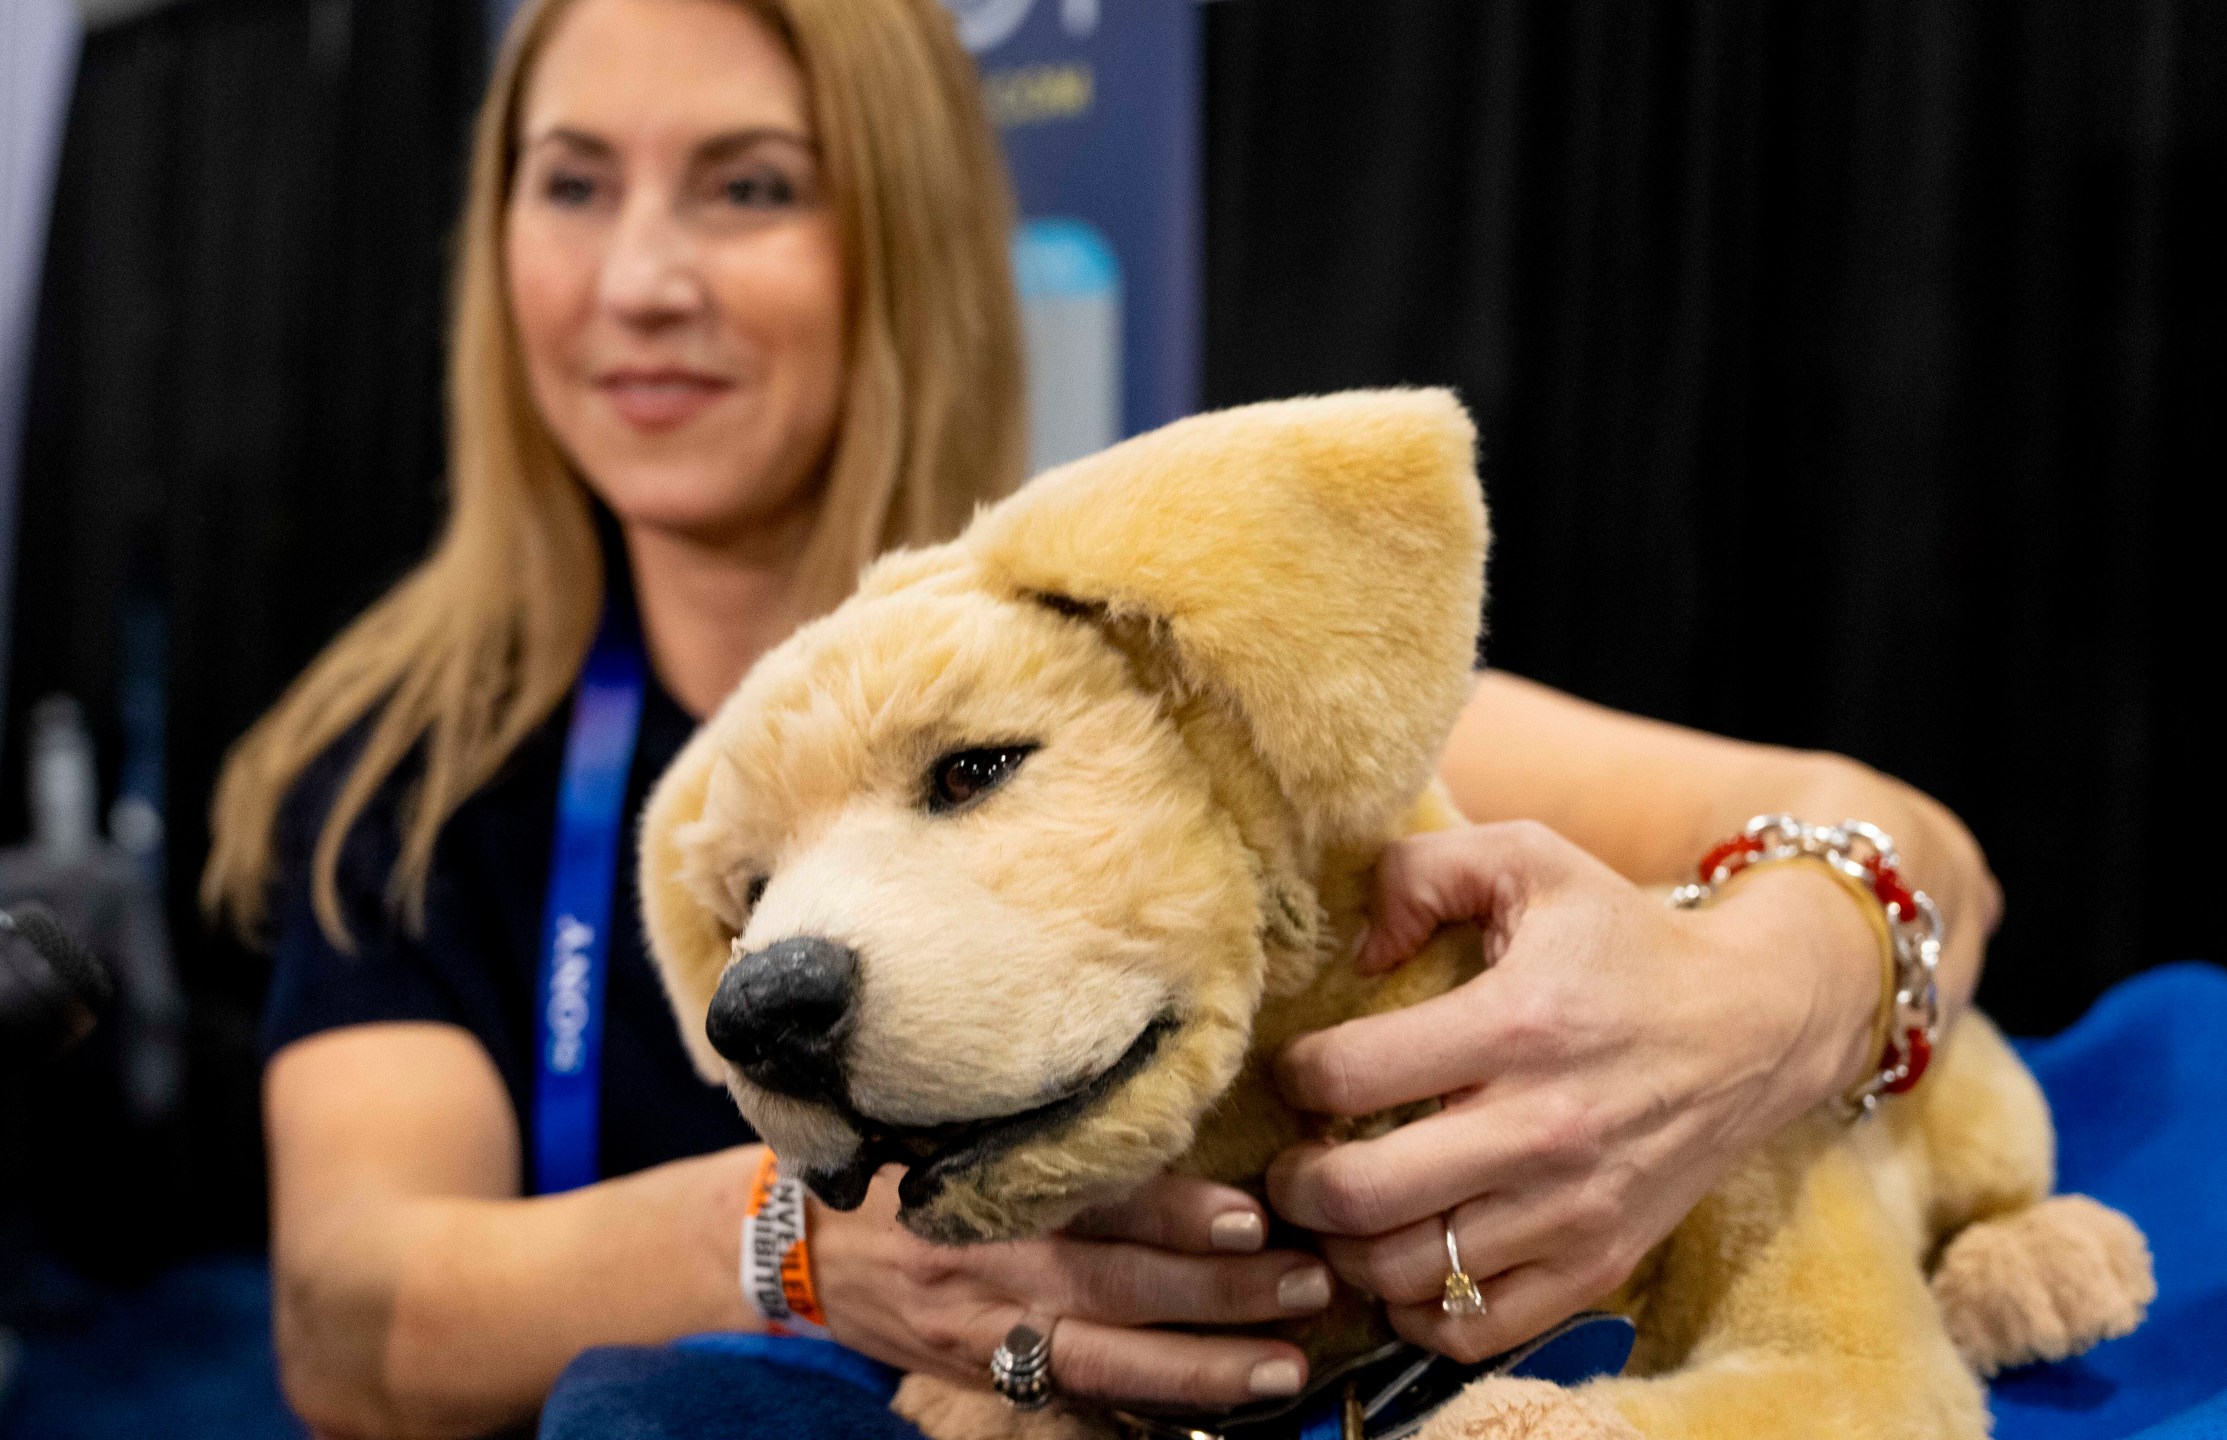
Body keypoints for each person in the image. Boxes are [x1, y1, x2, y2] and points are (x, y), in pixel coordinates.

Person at [200, 0, 2002, 1435]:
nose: (639, 278)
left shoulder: (1132, 664)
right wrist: (807, 1252)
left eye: (750, 186)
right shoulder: (404, 771)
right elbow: (345, 1320)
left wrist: (1742, 1016)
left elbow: (1895, 836)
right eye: (572, 182)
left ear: (897, 236)